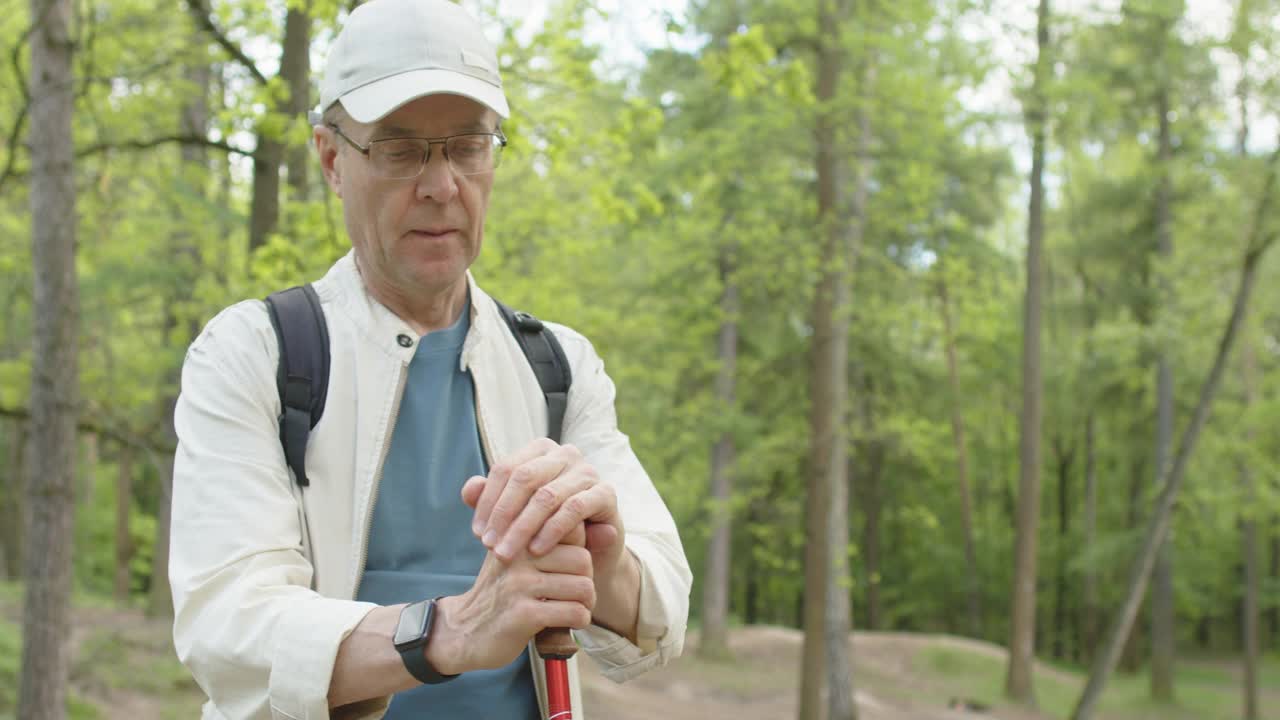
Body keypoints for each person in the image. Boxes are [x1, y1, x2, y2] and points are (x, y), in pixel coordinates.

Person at [167, 0, 692, 717]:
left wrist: (602, 558)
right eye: (400, 148)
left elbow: (662, 608)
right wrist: (447, 632)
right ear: (330, 158)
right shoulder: (253, 354)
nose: (442, 185)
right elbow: (227, 627)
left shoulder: (558, 368)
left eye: (468, 146)